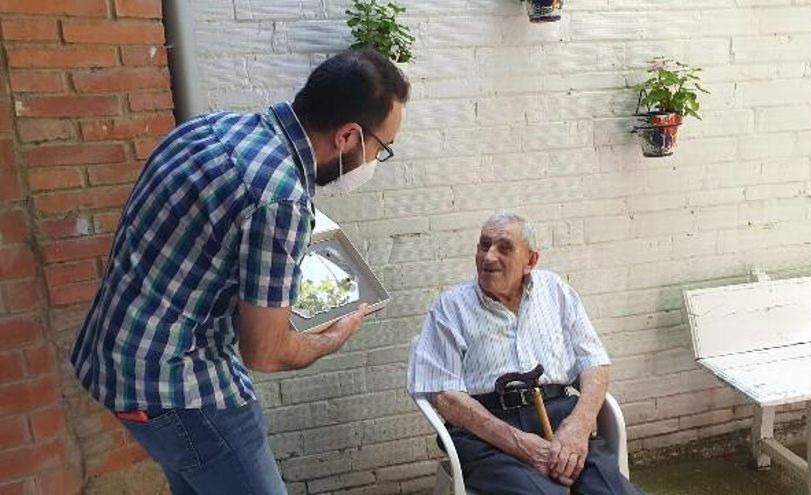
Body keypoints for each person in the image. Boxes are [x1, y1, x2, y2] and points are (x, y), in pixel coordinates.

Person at [70, 49, 409, 495]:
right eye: (380, 149)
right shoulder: (281, 199)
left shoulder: (210, 128)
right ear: (348, 136)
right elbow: (266, 352)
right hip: (182, 388)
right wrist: (332, 337)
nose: (372, 163)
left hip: (114, 363)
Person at [407, 212, 642, 495]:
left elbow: (594, 362)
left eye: (504, 248)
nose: (489, 257)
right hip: (488, 436)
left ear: (530, 261)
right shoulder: (451, 308)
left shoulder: (555, 290)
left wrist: (578, 427)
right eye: (484, 245)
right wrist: (519, 443)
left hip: (560, 420)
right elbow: (445, 397)